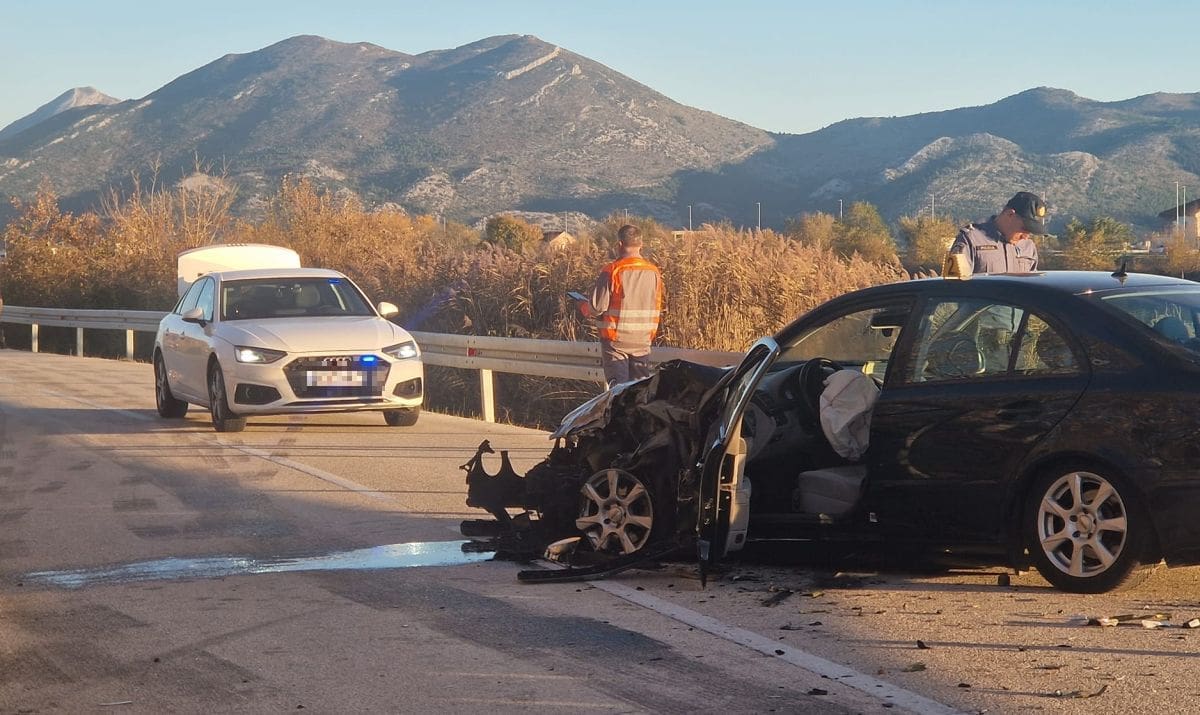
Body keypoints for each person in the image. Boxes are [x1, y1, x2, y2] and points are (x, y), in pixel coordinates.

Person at [575, 224, 663, 387]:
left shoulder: (612, 270)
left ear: (620, 244)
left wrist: (583, 305)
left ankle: (619, 413)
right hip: (643, 339)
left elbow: (596, 308)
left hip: (616, 339)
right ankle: (636, 413)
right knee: (640, 389)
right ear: (641, 244)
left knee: (618, 390)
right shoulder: (654, 272)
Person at [944, 191, 1047, 277]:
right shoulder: (970, 240)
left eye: (1030, 232)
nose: (1026, 236)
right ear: (1010, 214)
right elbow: (953, 286)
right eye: (1024, 229)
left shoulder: (1028, 247)